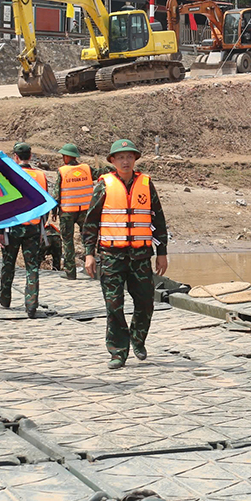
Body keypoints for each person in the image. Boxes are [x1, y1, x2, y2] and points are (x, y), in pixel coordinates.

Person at [83, 139, 168, 369]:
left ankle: (138, 339)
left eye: (129, 156)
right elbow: (90, 223)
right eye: (120, 157)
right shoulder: (103, 185)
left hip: (140, 256)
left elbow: (158, 220)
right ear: (112, 161)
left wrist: (162, 252)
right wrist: (89, 254)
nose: (125, 160)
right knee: (114, 305)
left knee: (145, 302)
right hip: (112, 256)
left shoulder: (146, 184)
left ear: (135, 159)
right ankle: (118, 351)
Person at [0, 143, 49, 316]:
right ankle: (31, 304)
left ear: (15, 157)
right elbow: (46, 203)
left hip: (13, 227)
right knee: (32, 267)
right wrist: (42, 229)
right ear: (30, 156)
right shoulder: (41, 176)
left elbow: (2, 204)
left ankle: (5, 296)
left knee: (8, 264)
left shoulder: (9, 175)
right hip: (33, 228)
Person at [51, 143, 102, 280]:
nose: (62, 158)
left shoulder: (62, 171)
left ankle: (70, 273)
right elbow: (100, 174)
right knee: (88, 240)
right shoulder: (86, 168)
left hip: (67, 211)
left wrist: (54, 211)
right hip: (85, 211)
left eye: (63, 156)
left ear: (68, 157)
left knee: (68, 242)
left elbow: (57, 193)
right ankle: (92, 270)